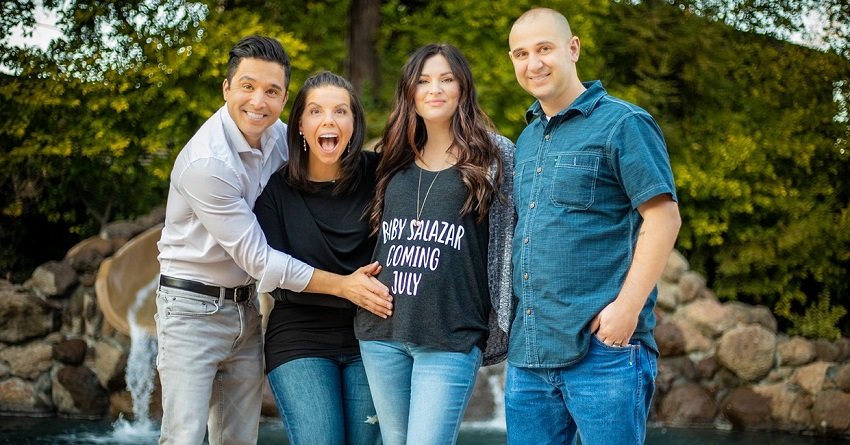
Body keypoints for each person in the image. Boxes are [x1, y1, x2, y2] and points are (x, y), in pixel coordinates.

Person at [155, 36, 391, 445]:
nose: (258, 101)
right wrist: (344, 285)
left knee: (238, 438)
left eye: (272, 91)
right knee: (184, 437)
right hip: (191, 310)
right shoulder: (208, 163)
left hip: (244, 308)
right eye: (247, 86)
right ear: (226, 88)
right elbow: (261, 260)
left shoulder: (280, 139)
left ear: (284, 100)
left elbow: (325, 148)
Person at [504, 7, 682, 445]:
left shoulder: (624, 123)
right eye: (520, 54)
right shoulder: (526, 139)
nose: (533, 63)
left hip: (601, 352)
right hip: (528, 356)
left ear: (573, 48)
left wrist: (625, 311)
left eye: (544, 48)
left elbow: (663, 218)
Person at [355, 43, 514, 445]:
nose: (435, 89)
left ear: (463, 88)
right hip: (382, 334)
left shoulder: (494, 157)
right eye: (423, 81)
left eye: (447, 79)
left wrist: (504, 317)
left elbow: (512, 239)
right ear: (410, 93)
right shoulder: (391, 158)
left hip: (451, 334)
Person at [253, 71, 381, 445]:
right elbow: (275, 278)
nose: (329, 120)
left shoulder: (381, 176)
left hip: (369, 337)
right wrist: (344, 288)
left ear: (354, 123)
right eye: (316, 111)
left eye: (341, 111)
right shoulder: (275, 192)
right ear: (300, 125)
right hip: (299, 338)